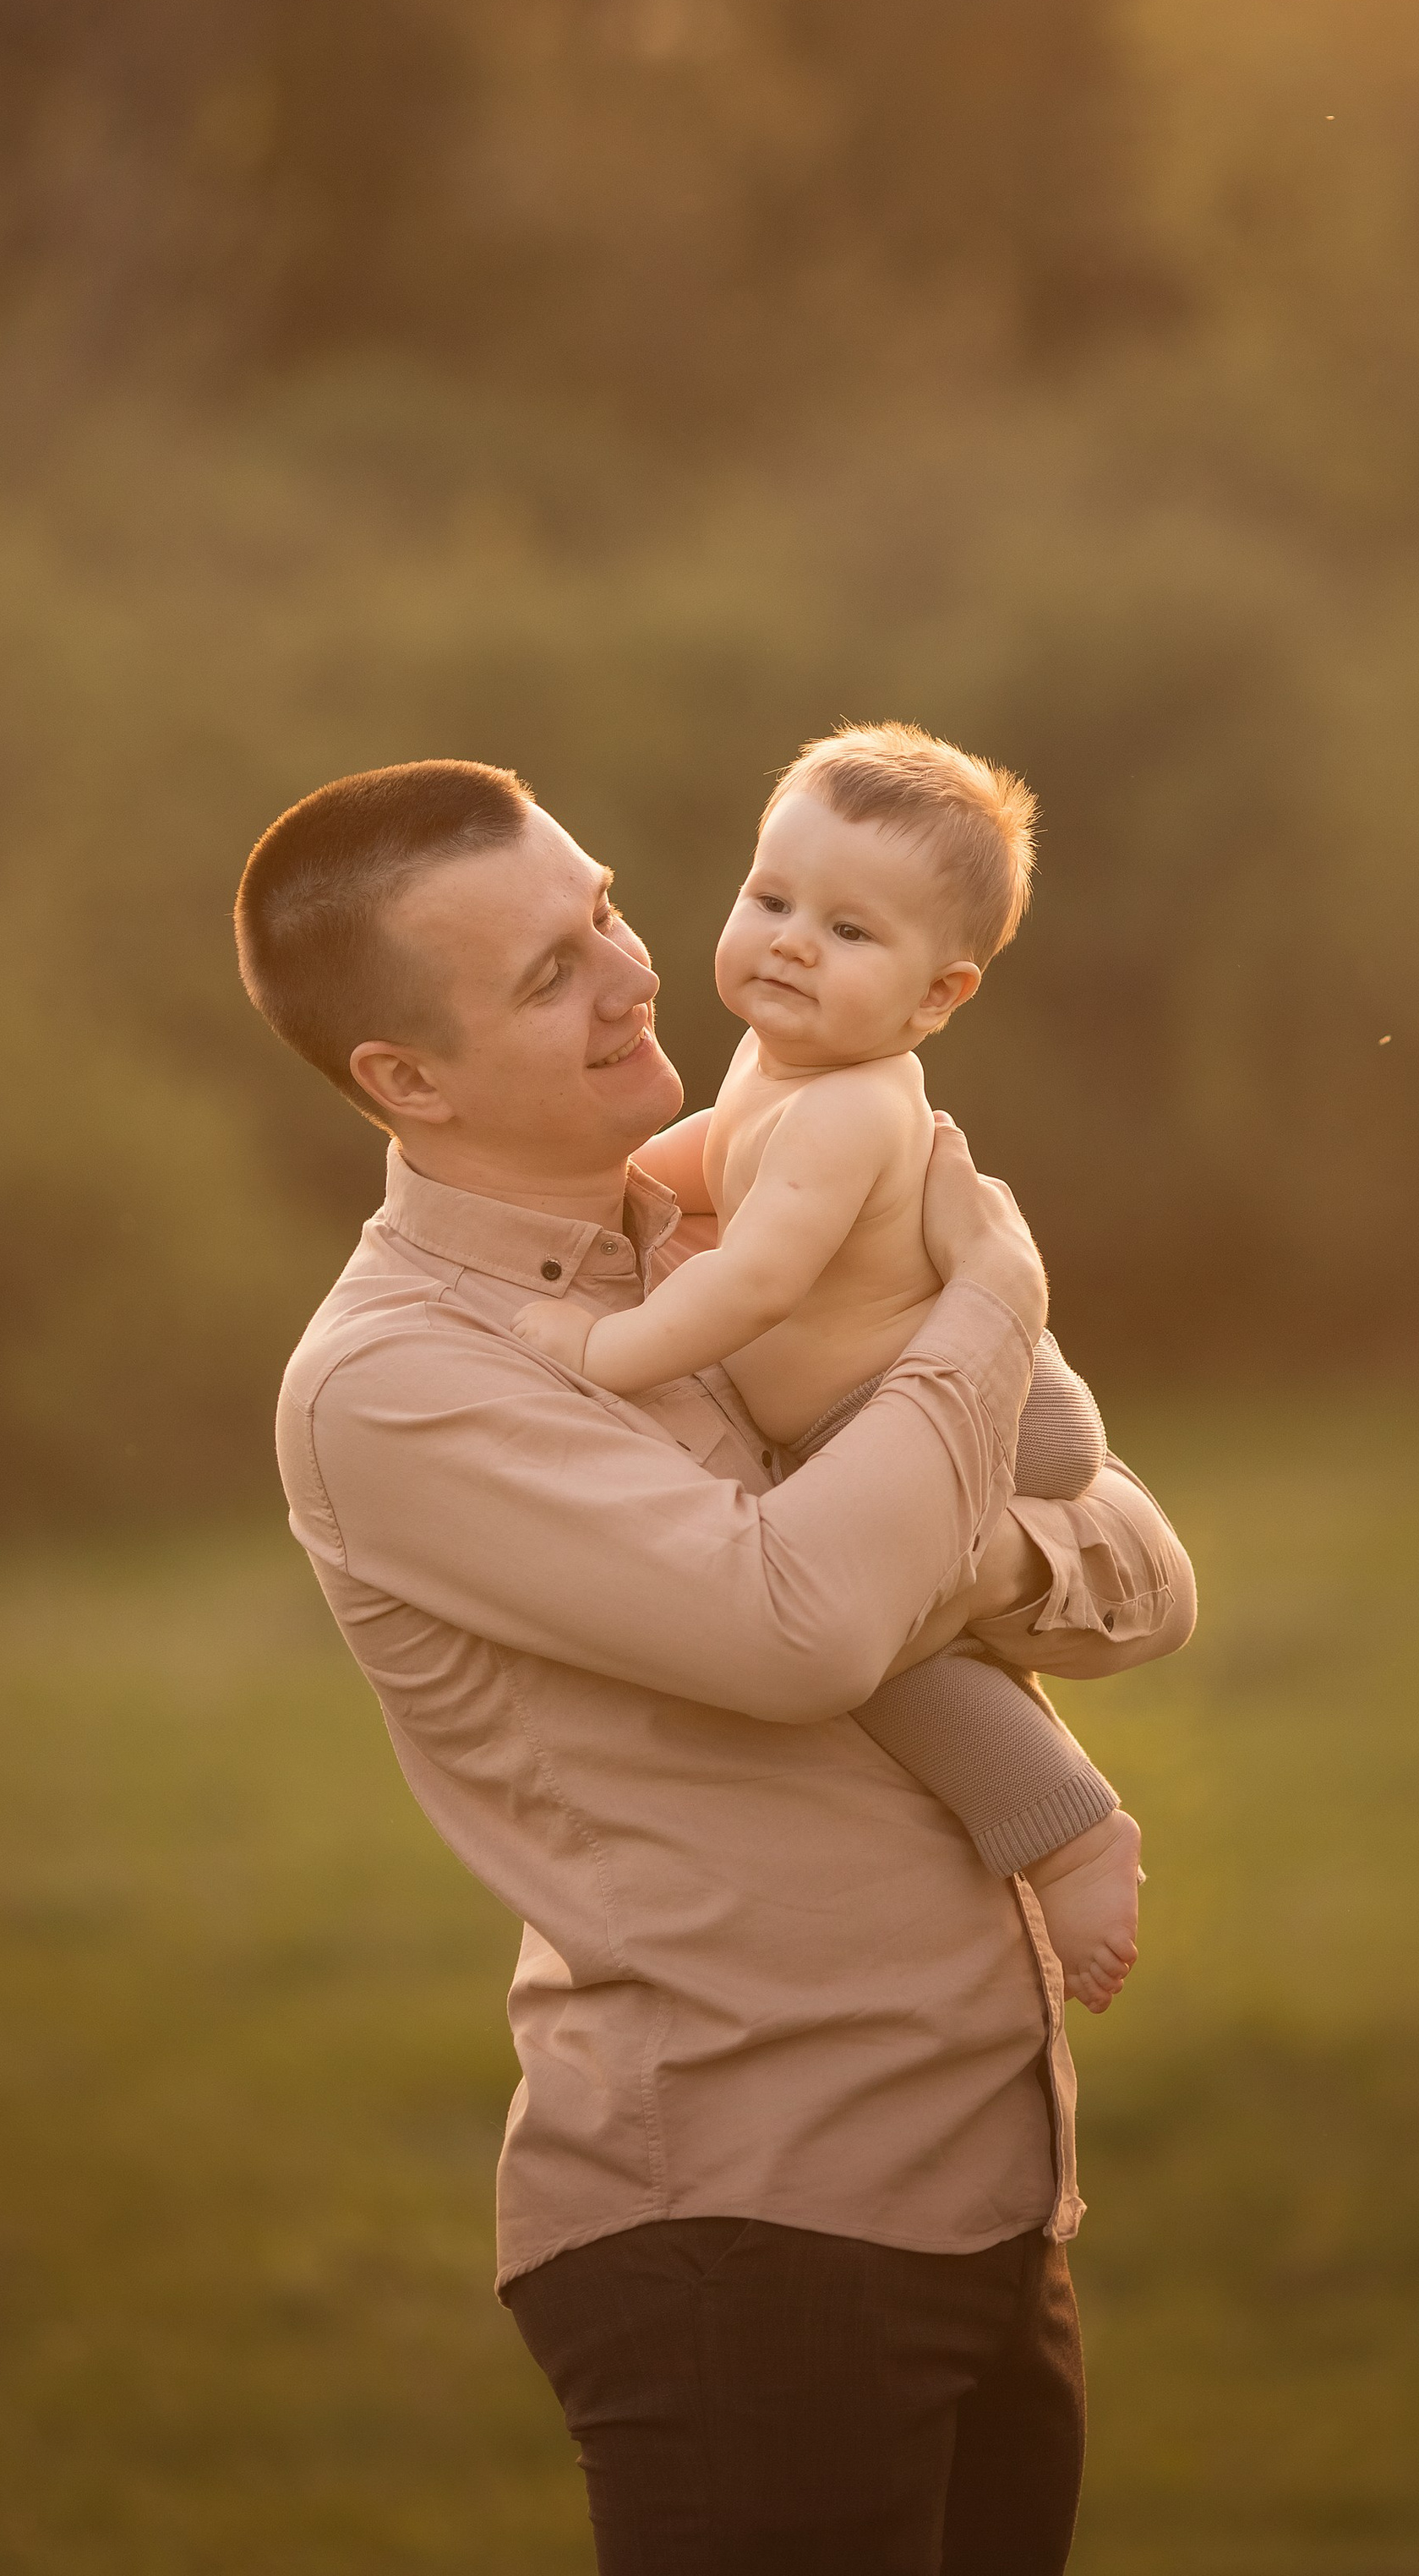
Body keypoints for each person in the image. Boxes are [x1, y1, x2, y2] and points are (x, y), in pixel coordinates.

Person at [234, 756, 1197, 2576]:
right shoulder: (401, 1381)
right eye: (546, 972)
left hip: (984, 2199)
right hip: (744, 2239)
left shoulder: (755, 1202)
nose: (631, 969)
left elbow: (1143, 1581)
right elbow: (805, 1628)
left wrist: (959, 1545)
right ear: (402, 1077)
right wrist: (990, 1309)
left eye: (600, 908)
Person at [511, 721, 1145, 2012]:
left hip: (889, 1402)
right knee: (921, 1602)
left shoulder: (852, 1107)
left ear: (935, 997)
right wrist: (620, 1185)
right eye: (772, 899)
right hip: (889, 1379)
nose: (793, 939)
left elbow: (754, 1280)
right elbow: (712, 1162)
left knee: (901, 1664)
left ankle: (1074, 1831)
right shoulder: (778, 1061)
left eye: (851, 932)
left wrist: (605, 1347)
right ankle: (1048, 1421)